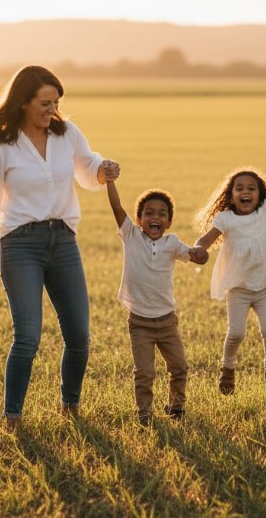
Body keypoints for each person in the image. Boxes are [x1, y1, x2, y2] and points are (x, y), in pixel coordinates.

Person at [0, 65, 119, 429]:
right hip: (21, 245)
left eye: (56, 103)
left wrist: (104, 168)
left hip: (63, 241)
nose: (52, 110)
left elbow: (87, 166)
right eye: (45, 103)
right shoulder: (0, 145)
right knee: (28, 336)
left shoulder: (67, 134)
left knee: (79, 335)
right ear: (23, 103)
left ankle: (71, 408)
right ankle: (13, 418)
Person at [105, 175, 208, 425]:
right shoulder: (131, 235)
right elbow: (117, 208)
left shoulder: (172, 243)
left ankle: (176, 408)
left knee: (179, 367)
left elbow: (195, 257)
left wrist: (200, 255)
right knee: (144, 372)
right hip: (139, 322)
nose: (155, 217)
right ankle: (144, 413)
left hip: (167, 321)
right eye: (149, 213)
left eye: (162, 214)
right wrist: (110, 182)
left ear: (169, 222)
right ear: (138, 220)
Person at [193, 151, 266, 396]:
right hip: (238, 289)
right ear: (231, 197)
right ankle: (228, 369)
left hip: (264, 287)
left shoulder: (264, 212)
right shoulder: (226, 219)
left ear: (260, 194)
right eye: (240, 189)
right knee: (236, 333)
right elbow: (206, 239)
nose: (246, 192)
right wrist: (198, 249)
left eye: (252, 188)